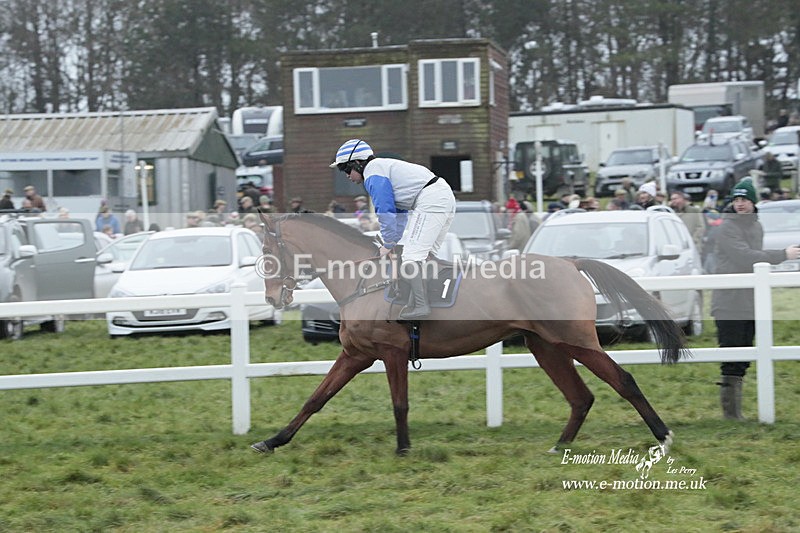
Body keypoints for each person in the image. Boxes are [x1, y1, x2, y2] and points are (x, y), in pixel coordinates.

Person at [330, 138, 456, 319]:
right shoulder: (383, 168)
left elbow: (384, 209)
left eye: (346, 169)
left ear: (357, 163)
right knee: (425, 257)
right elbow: (400, 212)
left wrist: (388, 241)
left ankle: (421, 306)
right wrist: (392, 240)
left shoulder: (373, 172)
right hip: (441, 196)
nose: (347, 175)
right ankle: (420, 302)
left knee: (412, 257)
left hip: (431, 199)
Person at [711, 178, 800, 420]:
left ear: (753, 201)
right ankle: (731, 416)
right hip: (729, 303)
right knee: (731, 356)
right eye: (736, 199)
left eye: (744, 199)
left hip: (750, 301)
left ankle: (735, 415)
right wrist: (783, 255)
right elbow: (745, 257)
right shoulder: (727, 227)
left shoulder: (756, 226)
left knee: (745, 357)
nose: (740, 204)